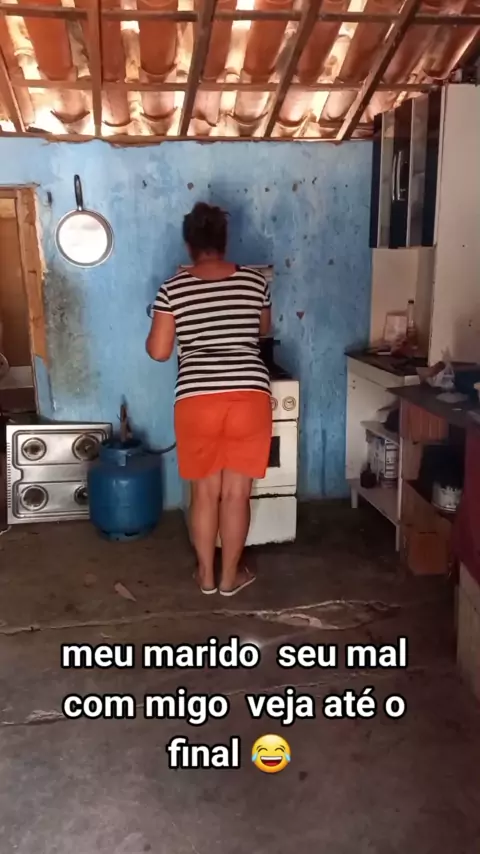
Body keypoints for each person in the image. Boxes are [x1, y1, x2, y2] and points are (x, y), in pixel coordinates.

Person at [146, 202, 272, 597]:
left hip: (197, 397)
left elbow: (159, 352)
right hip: (249, 393)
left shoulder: (172, 288)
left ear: (189, 245)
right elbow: (263, 330)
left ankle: (205, 576)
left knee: (205, 493)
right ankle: (230, 578)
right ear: (224, 241)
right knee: (236, 493)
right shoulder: (255, 282)